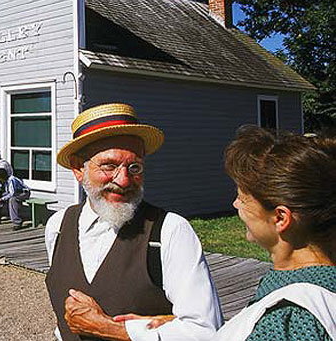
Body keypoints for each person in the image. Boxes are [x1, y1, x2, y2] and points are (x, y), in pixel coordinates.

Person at [45, 103, 222, 341]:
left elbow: (206, 332)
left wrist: (114, 329)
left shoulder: (169, 231)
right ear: (79, 168)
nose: (124, 180)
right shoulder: (57, 227)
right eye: (110, 165)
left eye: (134, 167)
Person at [213, 126, 336, 340]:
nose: (235, 204)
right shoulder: (314, 286)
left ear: (280, 218)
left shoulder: (289, 319)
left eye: (242, 198)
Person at [0, 166, 30, 230]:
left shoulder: (11, 180)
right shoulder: (1, 181)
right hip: (13, 192)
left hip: (23, 192)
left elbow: (12, 193)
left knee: (12, 200)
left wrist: (0, 199)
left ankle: (17, 222)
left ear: (2, 177)